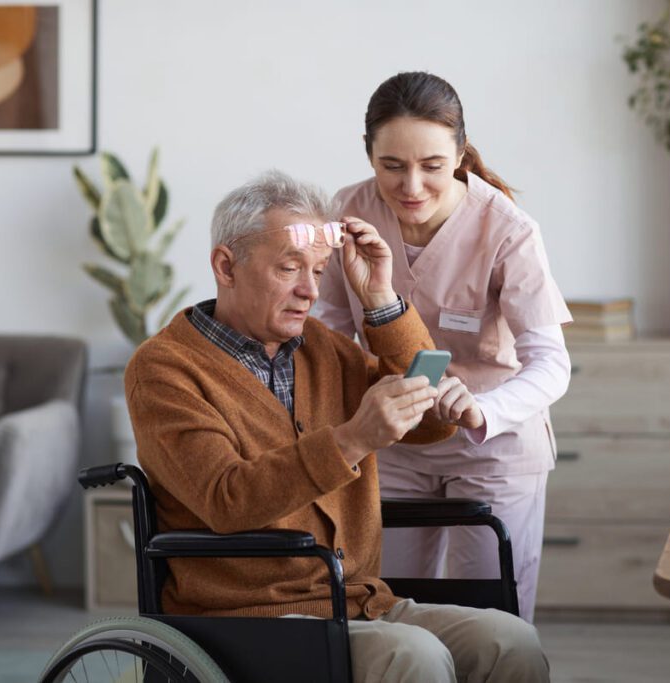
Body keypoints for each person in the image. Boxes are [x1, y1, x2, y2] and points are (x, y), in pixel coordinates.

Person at [124, 170, 550, 682]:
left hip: (357, 601)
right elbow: (226, 498)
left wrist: (382, 301)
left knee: (511, 641)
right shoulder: (164, 370)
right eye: (288, 268)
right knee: (413, 656)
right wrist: (352, 438)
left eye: (320, 270)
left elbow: (427, 429)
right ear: (225, 266)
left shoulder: (323, 348)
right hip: (247, 616)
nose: (310, 290)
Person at [315, 72, 572, 623]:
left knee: (492, 619)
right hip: (396, 444)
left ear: (459, 153)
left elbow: (551, 362)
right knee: (391, 612)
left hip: (492, 444)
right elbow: (328, 335)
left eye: (431, 166)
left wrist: (486, 409)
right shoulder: (350, 212)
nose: (411, 186)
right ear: (369, 156)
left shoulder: (508, 230)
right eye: (392, 166)